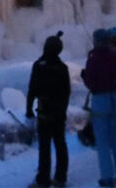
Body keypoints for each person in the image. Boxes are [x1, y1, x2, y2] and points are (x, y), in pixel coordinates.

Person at [82, 28, 116, 188]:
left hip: (101, 99)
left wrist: (85, 76)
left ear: (97, 41)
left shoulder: (94, 58)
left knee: (102, 141)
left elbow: (90, 82)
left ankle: (107, 177)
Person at [26, 31, 70, 188]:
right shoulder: (62, 67)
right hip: (58, 113)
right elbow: (67, 92)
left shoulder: (39, 66)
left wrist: (29, 109)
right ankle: (61, 178)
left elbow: (32, 89)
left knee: (44, 146)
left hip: (44, 112)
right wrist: (63, 110)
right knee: (60, 144)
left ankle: (43, 179)